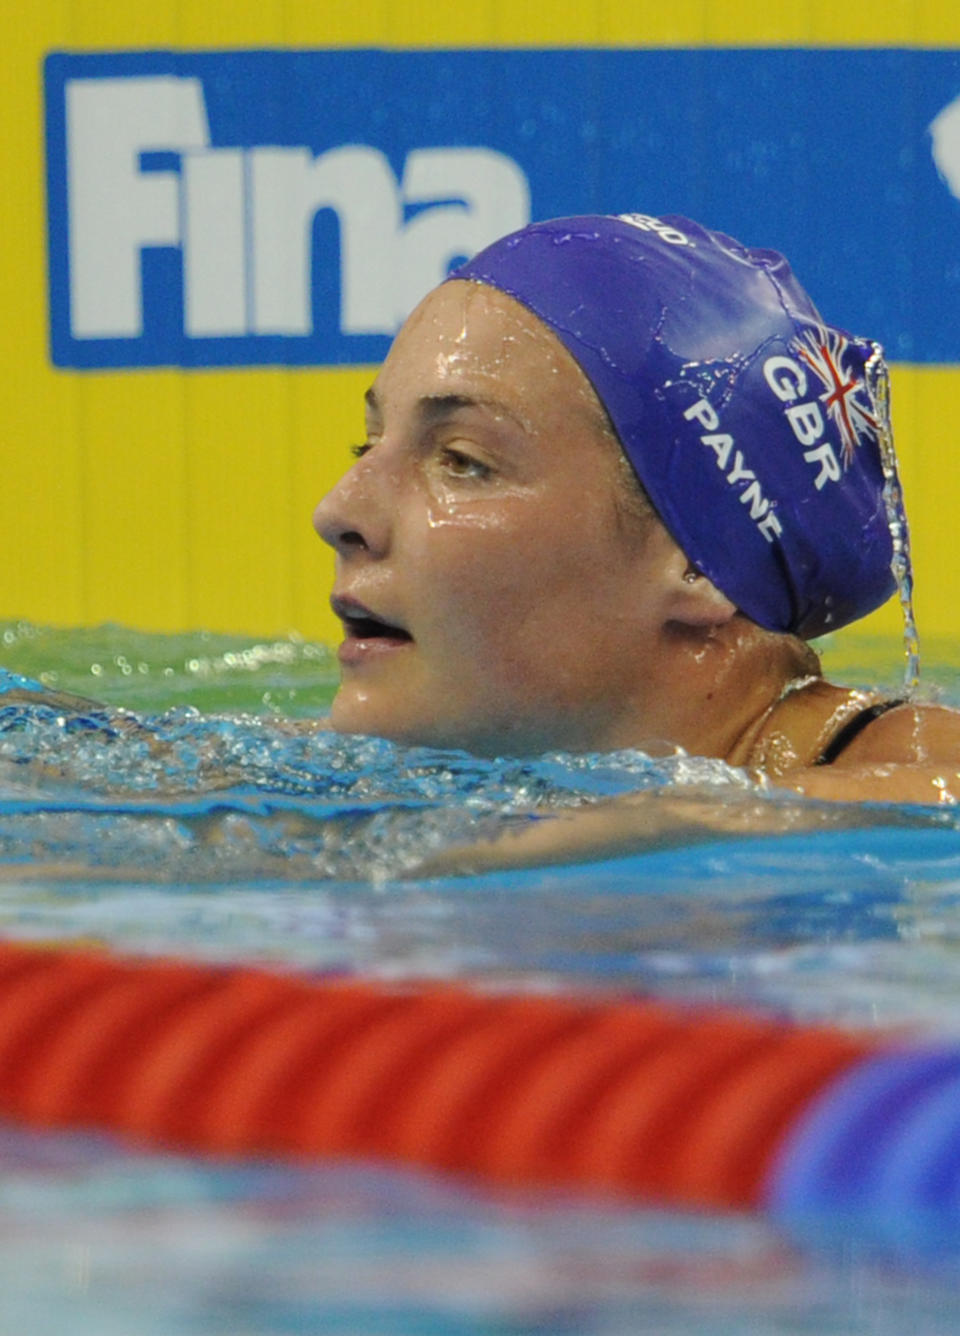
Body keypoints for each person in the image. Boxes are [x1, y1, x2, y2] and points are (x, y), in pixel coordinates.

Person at [314, 211, 960, 830]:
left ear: (699, 562)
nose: (339, 510)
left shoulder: (915, 789)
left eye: (463, 460)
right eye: (366, 447)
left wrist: (568, 842)